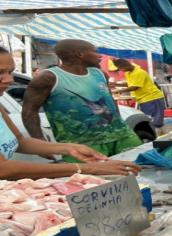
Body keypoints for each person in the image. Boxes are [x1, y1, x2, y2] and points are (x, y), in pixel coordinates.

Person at [0, 46, 140, 180]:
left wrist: (70, 148)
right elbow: (4, 169)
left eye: (10, 72)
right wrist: (87, 168)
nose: (9, 79)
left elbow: (19, 141)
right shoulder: (50, 77)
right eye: (0, 72)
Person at [111, 59, 167, 130]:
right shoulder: (128, 73)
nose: (121, 70)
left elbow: (135, 87)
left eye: (120, 68)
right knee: (148, 119)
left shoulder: (139, 72)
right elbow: (130, 84)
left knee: (155, 120)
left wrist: (117, 90)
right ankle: (154, 133)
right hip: (144, 99)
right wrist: (116, 84)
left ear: (125, 65)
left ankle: (158, 135)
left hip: (152, 98)